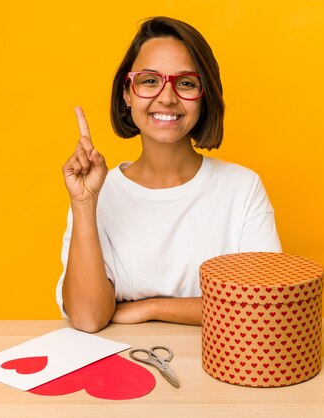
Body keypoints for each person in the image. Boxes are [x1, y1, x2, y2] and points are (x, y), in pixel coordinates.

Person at [56, 16, 281, 333]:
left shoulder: (242, 188)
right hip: (120, 367)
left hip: (218, 366)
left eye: (186, 83)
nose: (167, 96)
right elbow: (89, 318)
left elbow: (265, 304)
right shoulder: (97, 193)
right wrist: (83, 204)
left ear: (204, 98)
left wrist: (151, 307)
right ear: (127, 93)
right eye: (149, 80)